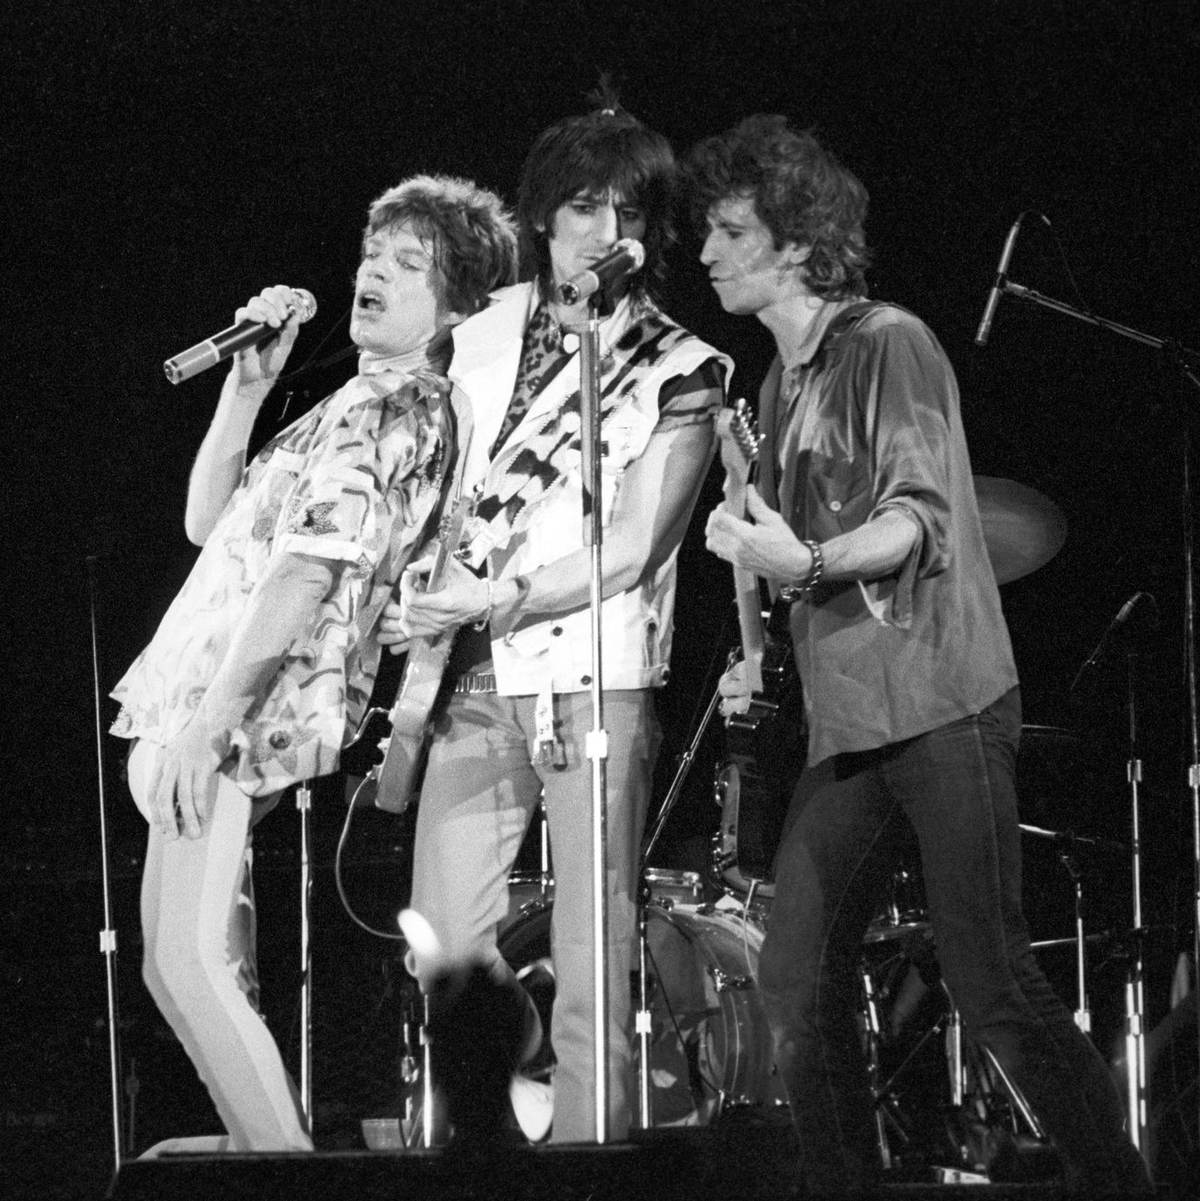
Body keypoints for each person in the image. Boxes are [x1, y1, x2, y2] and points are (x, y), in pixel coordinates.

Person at [688, 115, 1151, 1193]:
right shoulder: (774, 388)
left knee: (991, 983)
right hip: (850, 727)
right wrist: (755, 629)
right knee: (794, 981)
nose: (705, 252)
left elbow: (915, 518)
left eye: (729, 231)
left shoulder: (887, 340)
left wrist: (799, 561)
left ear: (798, 244)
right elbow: (778, 553)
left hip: (942, 700)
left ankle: (1121, 1182)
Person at [109, 175, 518, 1152]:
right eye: (371, 255)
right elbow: (212, 525)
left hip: (249, 696)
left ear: (454, 302)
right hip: (215, 681)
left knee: (191, 959)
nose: (373, 271)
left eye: (407, 263)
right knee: (172, 961)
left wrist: (211, 727)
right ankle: (262, 1150)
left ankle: (280, 1164)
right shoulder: (354, 401)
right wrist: (247, 387)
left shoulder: (405, 404)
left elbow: (307, 574)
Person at [378, 100, 730, 1144]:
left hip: (598, 675)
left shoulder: (683, 365)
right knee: (446, 946)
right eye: (583, 206)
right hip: (472, 682)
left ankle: (589, 1152)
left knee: (590, 946)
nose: (603, 229)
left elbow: (635, 547)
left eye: (627, 210)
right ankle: (470, 1143)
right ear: (543, 217)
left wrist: (501, 595)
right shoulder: (472, 331)